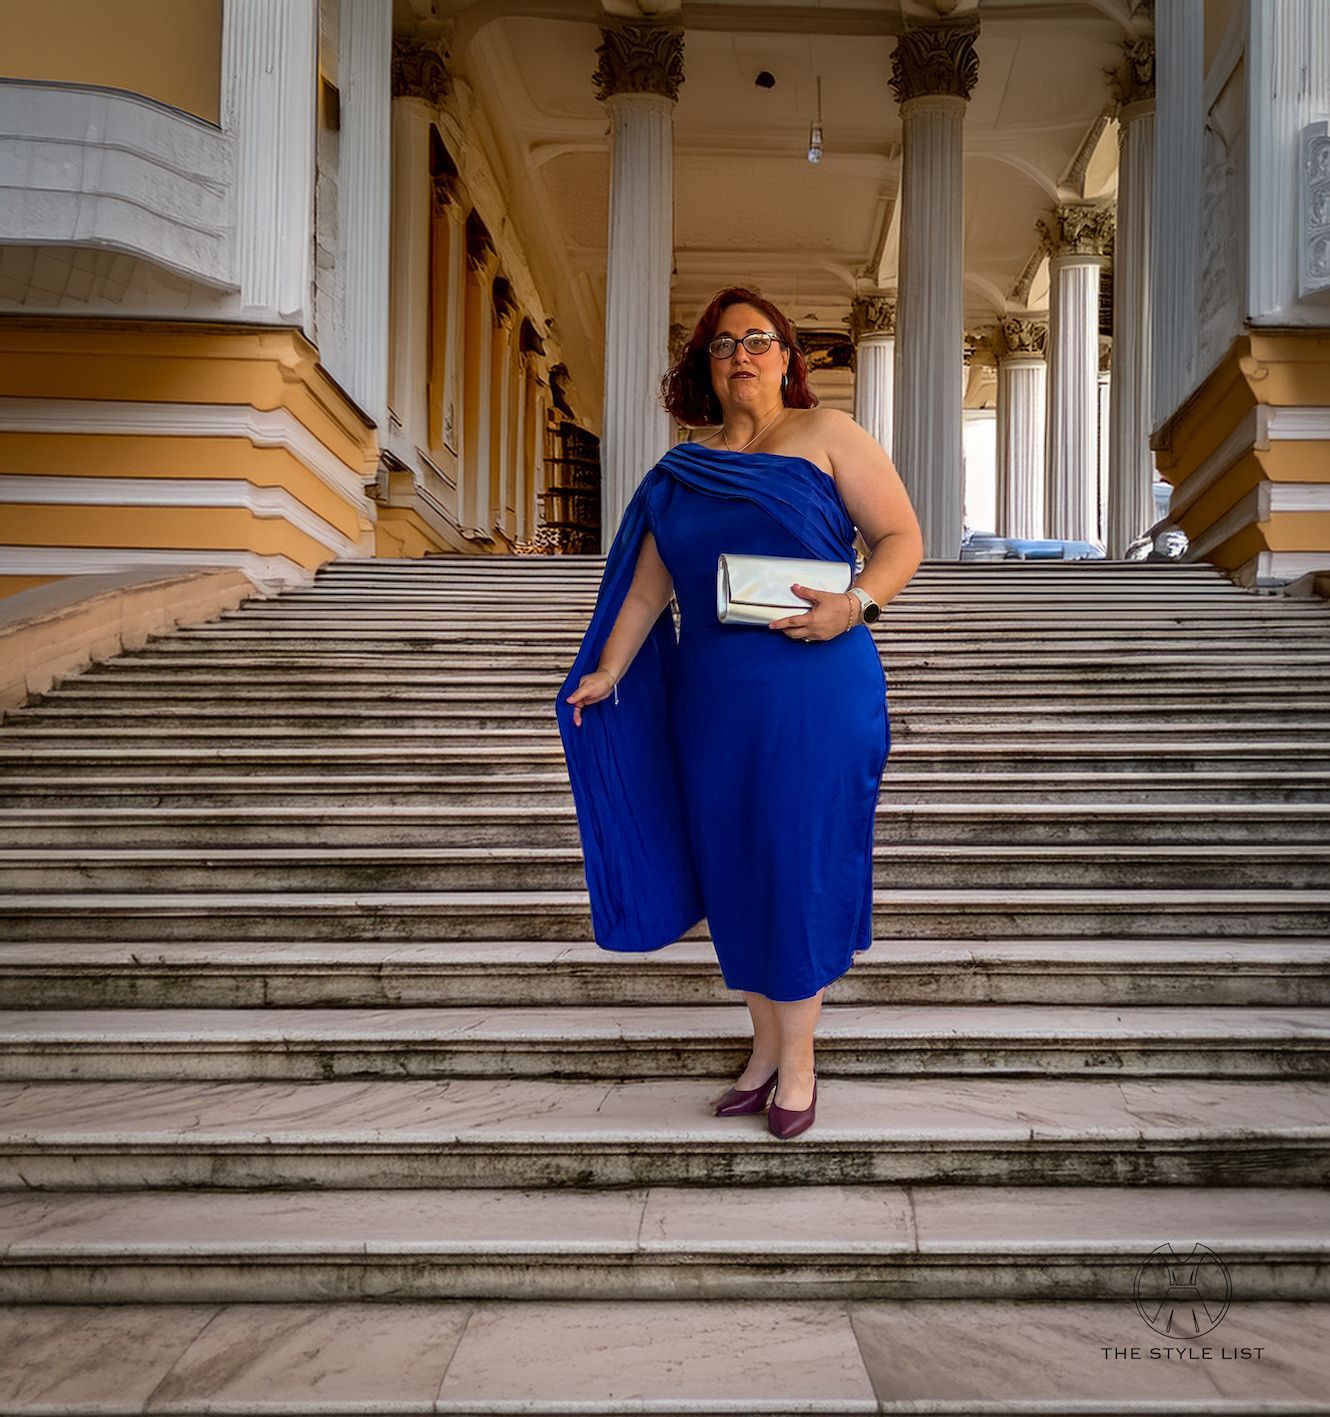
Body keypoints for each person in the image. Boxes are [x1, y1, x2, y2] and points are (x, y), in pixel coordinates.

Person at [554, 285, 923, 1139]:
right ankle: (762, 1050)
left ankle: (799, 1063)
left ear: (790, 357)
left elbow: (902, 539)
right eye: (724, 345)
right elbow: (648, 590)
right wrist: (609, 670)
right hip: (713, 701)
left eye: (759, 341)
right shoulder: (681, 469)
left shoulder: (831, 436)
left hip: (817, 686)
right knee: (737, 866)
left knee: (793, 858)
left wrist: (856, 603)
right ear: (705, 367)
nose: (742, 356)